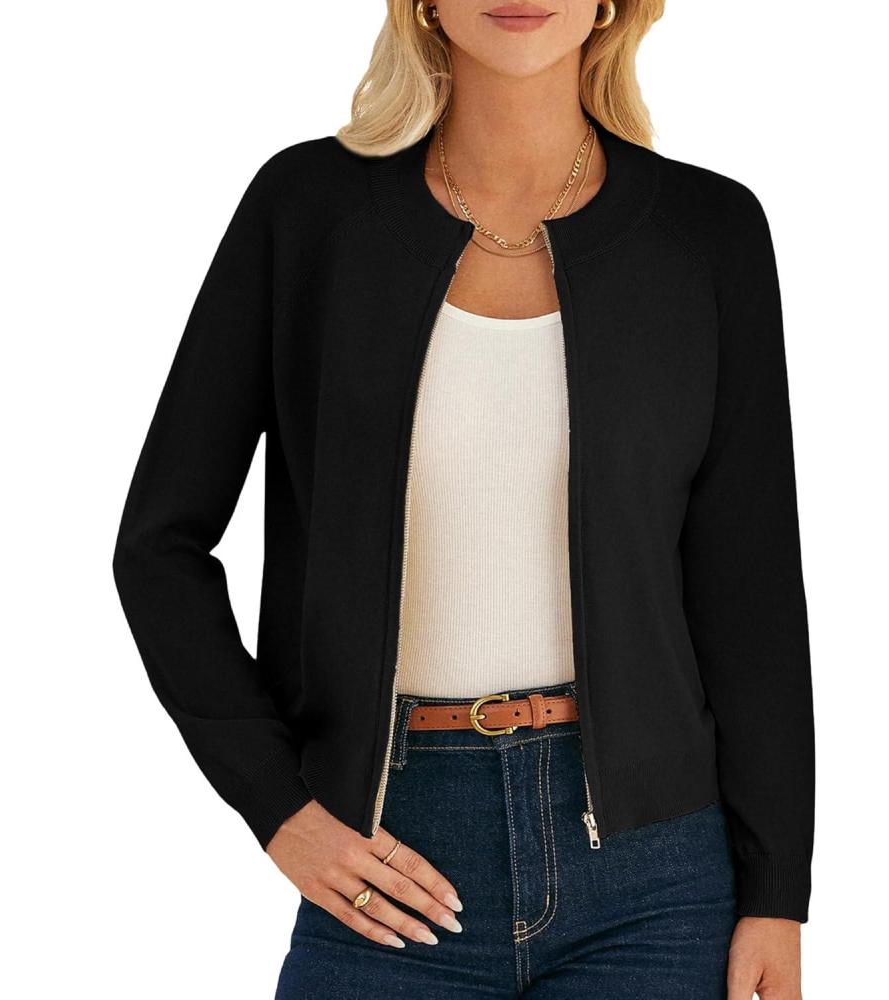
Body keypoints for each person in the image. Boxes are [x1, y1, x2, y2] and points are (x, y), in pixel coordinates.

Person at [113, 2, 814, 997]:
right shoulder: (309, 210)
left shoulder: (708, 232)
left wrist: (777, 893)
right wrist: (278, 807)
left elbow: (750, 593)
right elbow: (160, 546)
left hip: (655, 879)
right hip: (389, 853)